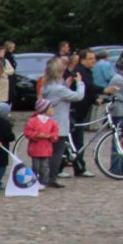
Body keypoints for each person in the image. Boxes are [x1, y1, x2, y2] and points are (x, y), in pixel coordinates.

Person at [38, 57, 83, 185]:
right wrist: (80, 83)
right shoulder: (59, 89)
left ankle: (45, 177)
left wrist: (66, 84)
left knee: (48, 152)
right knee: (57, 152)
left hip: (48, 123)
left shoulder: (47, 86)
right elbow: (78, 96)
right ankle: (51, 178)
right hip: (59, 124)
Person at [65, 49, 97, 176]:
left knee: (77, 140)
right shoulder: (79, 71)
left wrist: (95, 99)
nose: (93, 61)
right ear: (83, 60)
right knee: (72, 140)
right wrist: (104, 90)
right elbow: (87, 86)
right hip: (74, 110)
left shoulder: (88, 71)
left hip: (81, 111)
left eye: (94, 58)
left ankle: (79, 167)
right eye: (90, 58)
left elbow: (89, 91)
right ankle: (64, 167)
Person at [23, 97, 59, 187]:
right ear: (44, 109)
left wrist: (49, 136)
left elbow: (55, 134)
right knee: (36, 167)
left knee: (44, 167)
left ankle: (43, 182)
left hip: (46, 149)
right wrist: (37, 135)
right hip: (35, 149)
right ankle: (34, 182)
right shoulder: (33, 121)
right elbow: (27, 132)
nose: (52, 109)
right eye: (50, 107)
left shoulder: (52, 122)